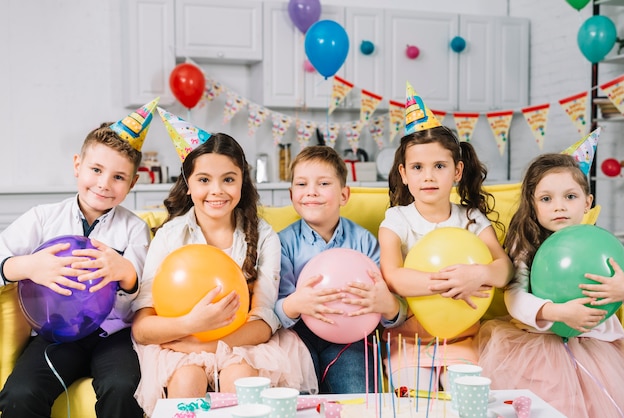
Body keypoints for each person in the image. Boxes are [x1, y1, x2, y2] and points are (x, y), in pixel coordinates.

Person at [131, 109, 317, 416]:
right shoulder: (169, 237)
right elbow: (142, 327)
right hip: (177, 341)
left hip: (241, 343)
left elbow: (263, 323)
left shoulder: (265, 236)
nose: (216, 190)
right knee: (186, 379)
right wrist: (190, 325)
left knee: (240, 378)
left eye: (228, 179)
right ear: (188, 185)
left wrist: (198, 345)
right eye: (204, 179)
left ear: (242, 182)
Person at [0, 98, 158, 418]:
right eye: (96, 170)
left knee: (124, 390)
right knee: (20, 394)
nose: (103, 184)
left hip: (115, 337)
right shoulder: (42, 218)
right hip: (54, 335)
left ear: (133, 182)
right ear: (77, 165)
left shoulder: (135, 230)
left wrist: (125, 273)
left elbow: (148, 295)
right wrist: (30, 265)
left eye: (118, 177)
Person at [378, 83, 513, 391]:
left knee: (465, 398)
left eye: (439, 166)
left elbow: (504, 269)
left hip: (463, 337)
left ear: (457, 170)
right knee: (416, 400)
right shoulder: (396, 220)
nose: (428, 176)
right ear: (403, 173)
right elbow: (393, 277)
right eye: (417, 167)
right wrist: (448, 285)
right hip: (408, 340)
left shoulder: (471, 218)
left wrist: (479, 274)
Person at [478, 152, 624, 417]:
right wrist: (555, 312)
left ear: (587, 203)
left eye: (570, 197)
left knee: (596, 406)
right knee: (555, 404)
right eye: (546, 199)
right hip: (541, 344)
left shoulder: (600, 244)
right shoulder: (525, 243)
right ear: (533, 205)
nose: (559, 206)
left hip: (596, 344)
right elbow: (515, 296)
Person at [276, 145, 407, 394]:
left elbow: (392, 308)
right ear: (292, 194)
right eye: (302, 185)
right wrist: (295, 303)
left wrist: (388, 305)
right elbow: (273, 308)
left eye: (323, 184)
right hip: (297, 338)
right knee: (297, 396)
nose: (311, 192)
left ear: (344, 195)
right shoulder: (282, 243)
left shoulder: (364, 241)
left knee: (358, 391)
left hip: (351, 338)